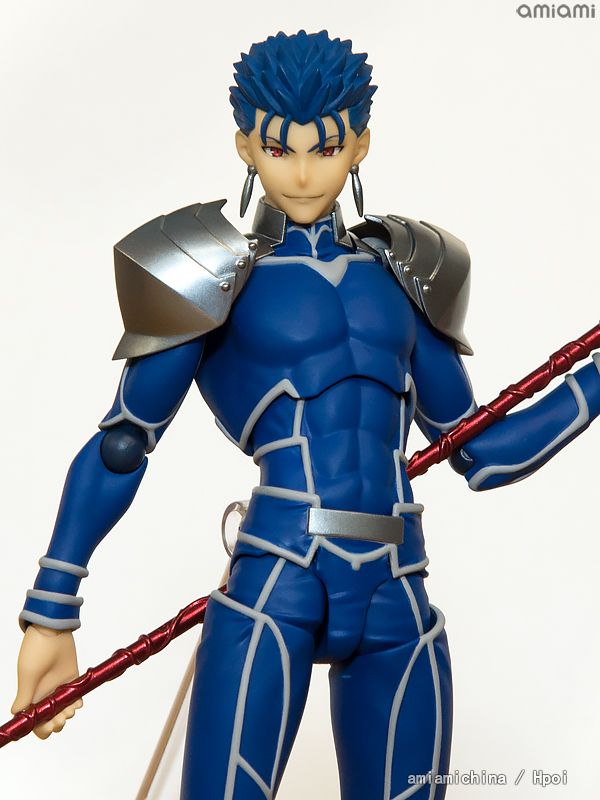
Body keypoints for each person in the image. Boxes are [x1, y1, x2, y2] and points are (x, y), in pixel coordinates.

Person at [11, 30, 600, 800]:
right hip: (277, 577)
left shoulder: (405, 275)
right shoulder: (211, 273)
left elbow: (483, 452)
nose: (300, 172)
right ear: (245, 146)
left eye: (323, 148)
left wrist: (594, 384)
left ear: (359, 143)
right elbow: (124, 443)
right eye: (277, 148)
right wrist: (51, 609)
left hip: (398, 586)